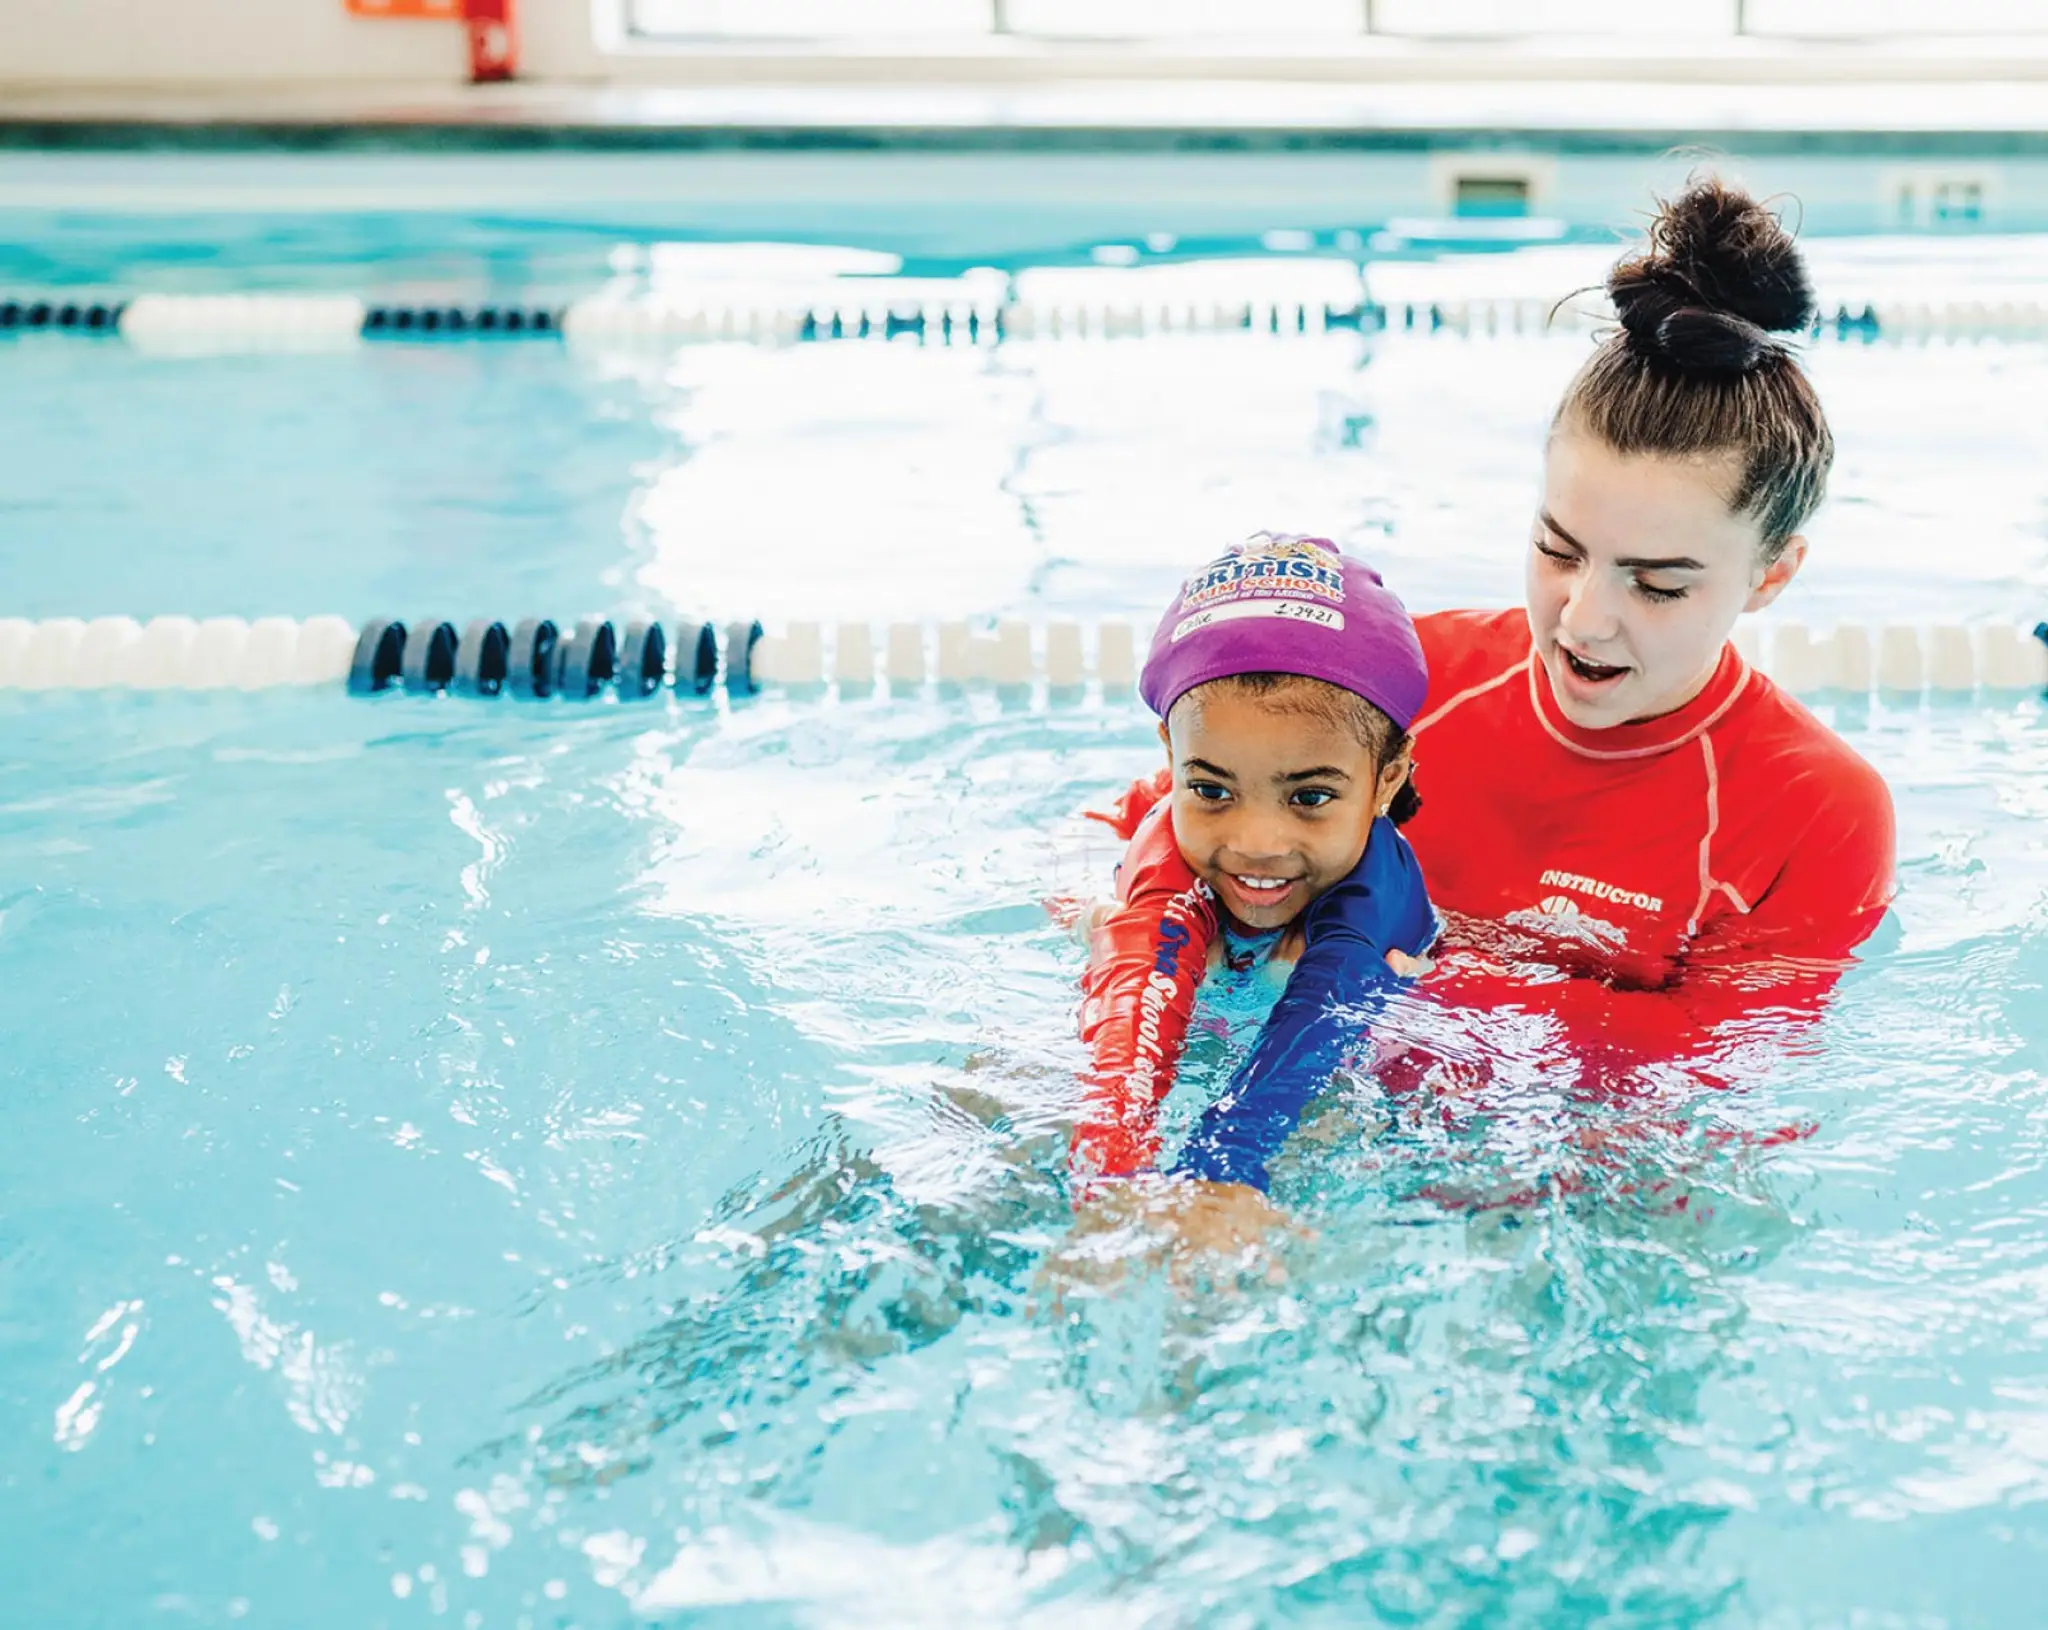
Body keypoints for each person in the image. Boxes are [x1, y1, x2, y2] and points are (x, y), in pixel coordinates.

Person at [1084, 177, 1897, 1172]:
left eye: (1656, 584)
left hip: (1582, 1172)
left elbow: (1724, 1053)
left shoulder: (1814, 809)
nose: (1583, 617)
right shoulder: (1412, 681)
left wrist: (1407, 981)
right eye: (1559, 550)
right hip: (1322, 1107)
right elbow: (1155, 815)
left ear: (1770, 575)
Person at [1070, 533, 1439, 1210]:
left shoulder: (1376, 917)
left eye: (1310, 798)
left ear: (1387, 779)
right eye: (1211, 791)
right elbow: (1120, 1045)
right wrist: (1107, 1186)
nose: (1258, 843)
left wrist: (1226, 1179)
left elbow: (1318, 1023)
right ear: (1171, 757)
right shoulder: (1149, 849)